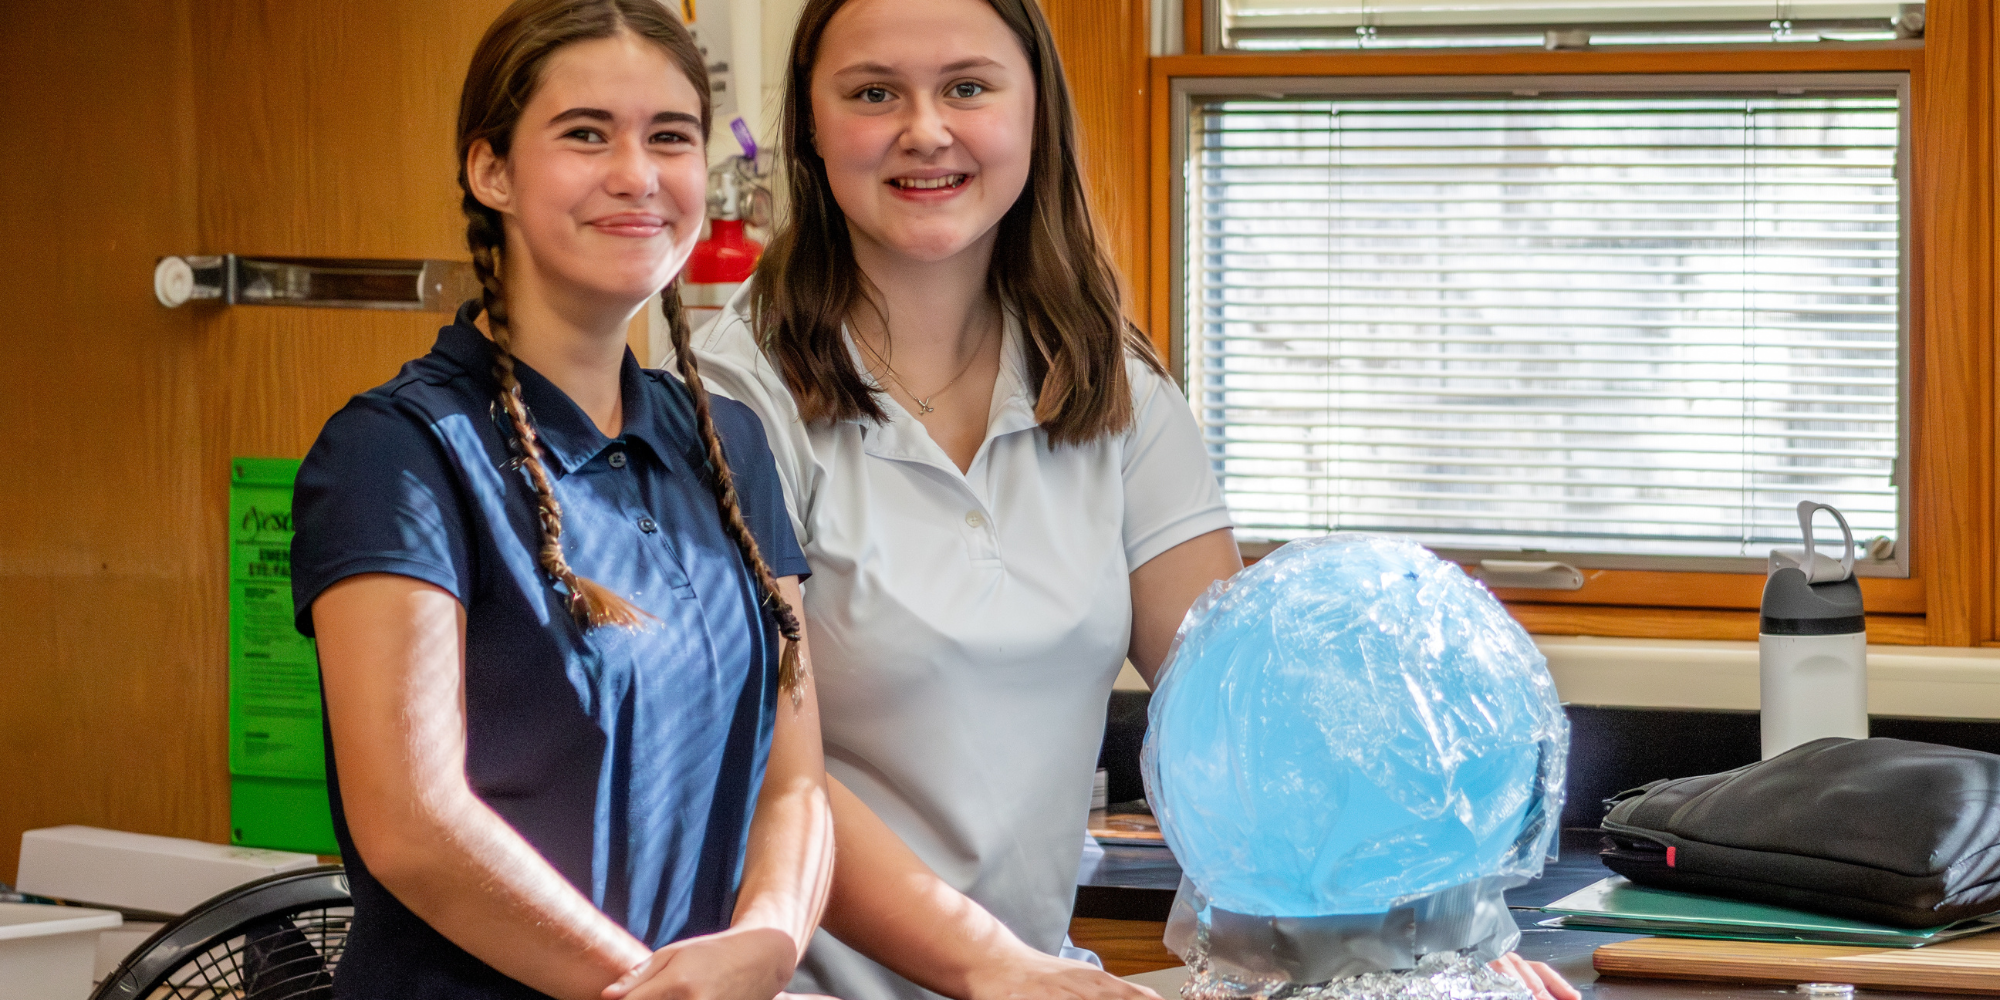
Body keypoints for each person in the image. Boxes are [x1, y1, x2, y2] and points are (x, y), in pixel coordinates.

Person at [687, 1, 1580, 999]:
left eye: (967, 87)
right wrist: (996, 969)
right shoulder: (734, 396)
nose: (926, 129)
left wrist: (1432, 936)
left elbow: (1251, 718)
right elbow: (770, 773)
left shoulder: (1110, 386)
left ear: (1034, 113)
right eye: (873, 93)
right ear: (810, 126)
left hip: (1030, 981)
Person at [290, 3, 831, 998]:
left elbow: (792, 780)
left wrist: (771, 937)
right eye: (586, 134)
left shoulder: (731, 446)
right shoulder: (396, 454)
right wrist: (658, 990)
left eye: (669, 137)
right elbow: (411, 824)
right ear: (490, 170)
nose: (636, 173)